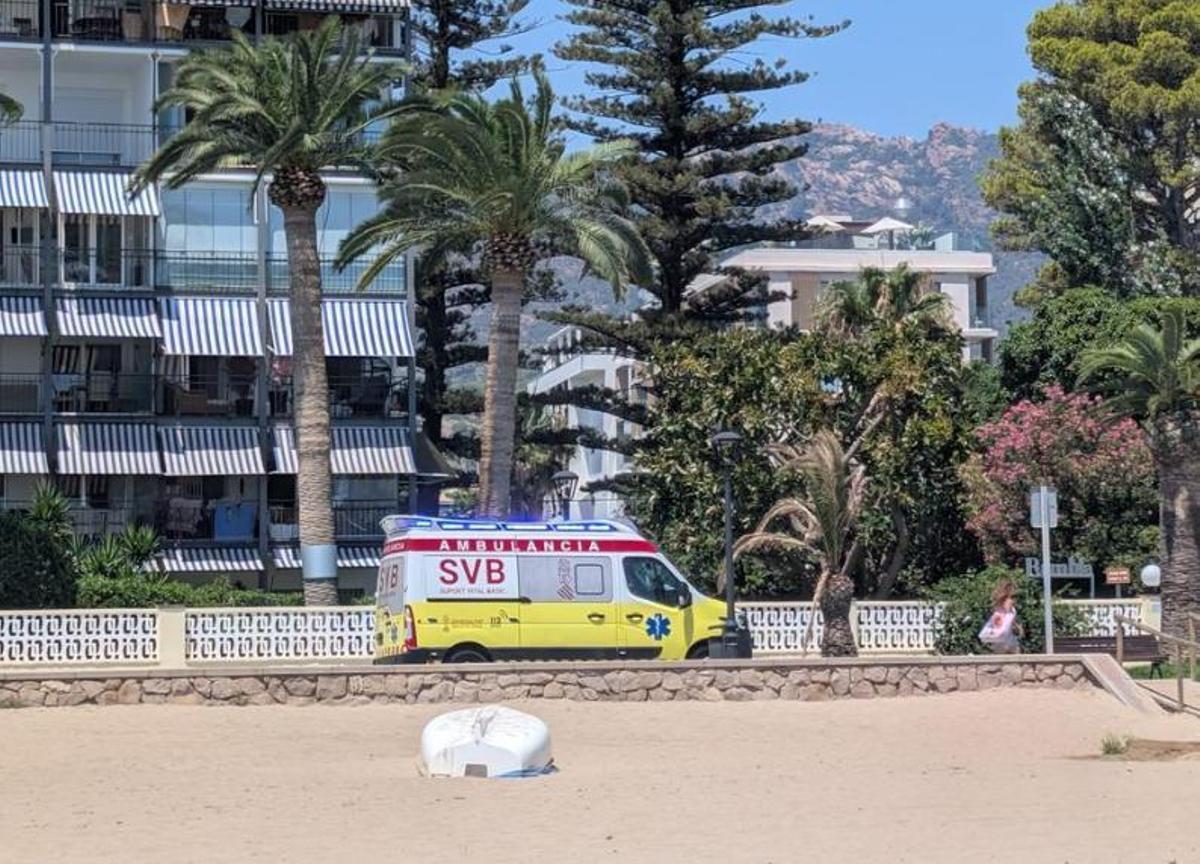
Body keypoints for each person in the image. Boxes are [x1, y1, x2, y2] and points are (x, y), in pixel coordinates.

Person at [979, 579, 1023, 654]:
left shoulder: (997, 607)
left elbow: (1001, 621)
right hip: (1009, 639)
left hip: (999, 640)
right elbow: (1008, 619)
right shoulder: (1008, 602)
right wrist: (1018, 627)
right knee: (1016, 661)